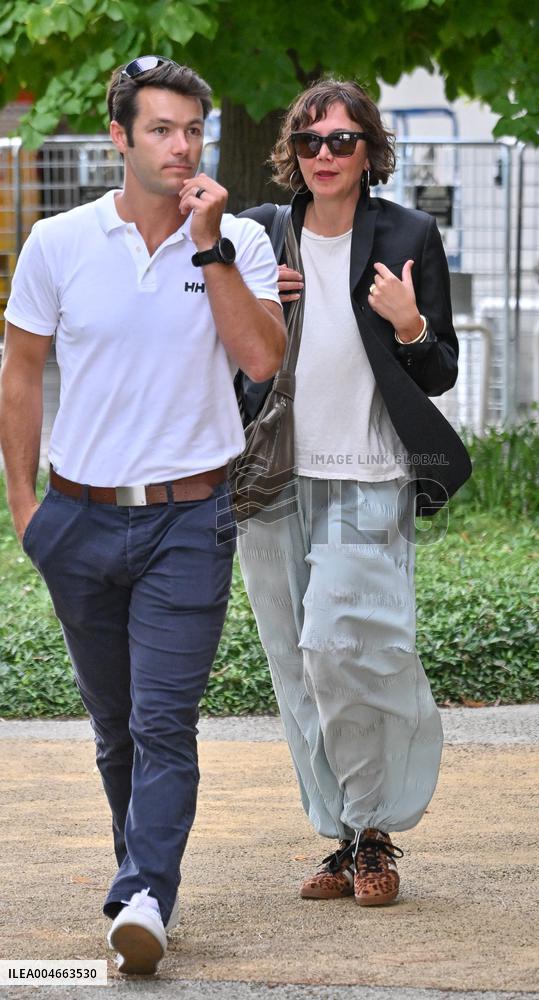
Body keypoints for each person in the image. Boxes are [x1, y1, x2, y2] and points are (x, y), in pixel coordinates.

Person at [0, 56, 285, 974]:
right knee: (115, 726)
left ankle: (144, 896)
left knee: (166, 721)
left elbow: (262, 360)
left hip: (188, 521)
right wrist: (24, 507)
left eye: (192, 130)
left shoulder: (235, 239)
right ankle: (141, 871)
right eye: (162, 130)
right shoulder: (58, 242)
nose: (182, 146)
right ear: (119, 138)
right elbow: (19, 371)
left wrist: (209, 245)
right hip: (77, 522)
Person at [237, 80, 471, 907]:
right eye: (310, 142)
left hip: (368, 473)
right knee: (296, 662)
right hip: (274, 475)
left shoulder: (407, 232)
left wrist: (408, 322)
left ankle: (378, 826)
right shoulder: (263, 235)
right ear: (291, 154)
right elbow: (225, 352)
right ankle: (342, 836)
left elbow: (440, 370)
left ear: (369, 147)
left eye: (341, 140)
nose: (325, 155)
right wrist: (260, 306)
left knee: (349, 647)